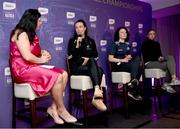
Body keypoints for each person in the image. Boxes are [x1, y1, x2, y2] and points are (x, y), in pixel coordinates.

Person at [9, 9, 77, 124]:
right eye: (39, 20)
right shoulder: (20, 33)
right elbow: (27, 57)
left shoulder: (30, 34)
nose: (41, 22)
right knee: (57, 77)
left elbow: (32, 52)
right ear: (32, 21)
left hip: (32, 67)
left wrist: (43, 53)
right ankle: (61, 109)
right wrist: (41, 60)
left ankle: (53, 108)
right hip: (22, 70)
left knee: (64, 74)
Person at [67, 19, 107, 111]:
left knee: (99, 68)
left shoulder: (91, 41)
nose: (78, 29)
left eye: (80, 27)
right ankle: (97, 94)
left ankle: (96, 93)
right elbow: (71, 57)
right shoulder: (72, 41)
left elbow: (96, 56)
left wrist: (88, 60)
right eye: (76, 27)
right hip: (76, 68)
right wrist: (77, 46)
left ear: (85, 28)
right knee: (98, 69)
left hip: (88, 66)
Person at [108, 26, 142, 101]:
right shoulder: (115, 44)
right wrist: (122, 60)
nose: (124, 33)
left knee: (139, 63)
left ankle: (132, 83)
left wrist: (129, 57)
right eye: (122, 32)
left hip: (127, 64)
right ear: (118, 34)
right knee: (134, 65)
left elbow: (128, 57)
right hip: (118, 65)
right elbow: (110, 58)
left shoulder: (128, 45)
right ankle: (132, 87)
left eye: (125, 32)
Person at [141, 29, 180, 93]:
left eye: (153, 34)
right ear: (147, 35)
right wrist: (157, 58)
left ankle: (171, 80)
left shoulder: (157, 44)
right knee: (168, 63)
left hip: (156, 61)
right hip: (149, 63)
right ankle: (169, 82)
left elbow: (159, 54)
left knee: (170, 58)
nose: (152, 35)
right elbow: (147, 56)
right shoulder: (145, 44)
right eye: (150, 34)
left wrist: (161, 58)